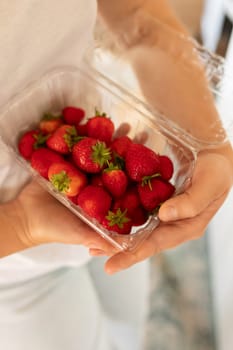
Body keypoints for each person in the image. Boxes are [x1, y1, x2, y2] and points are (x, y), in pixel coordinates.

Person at [0, 0, 232, 349]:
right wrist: (20, 223)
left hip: (109, 204)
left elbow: (138, 15)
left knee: (129, 325)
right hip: (16, 270)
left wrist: (209, 144)